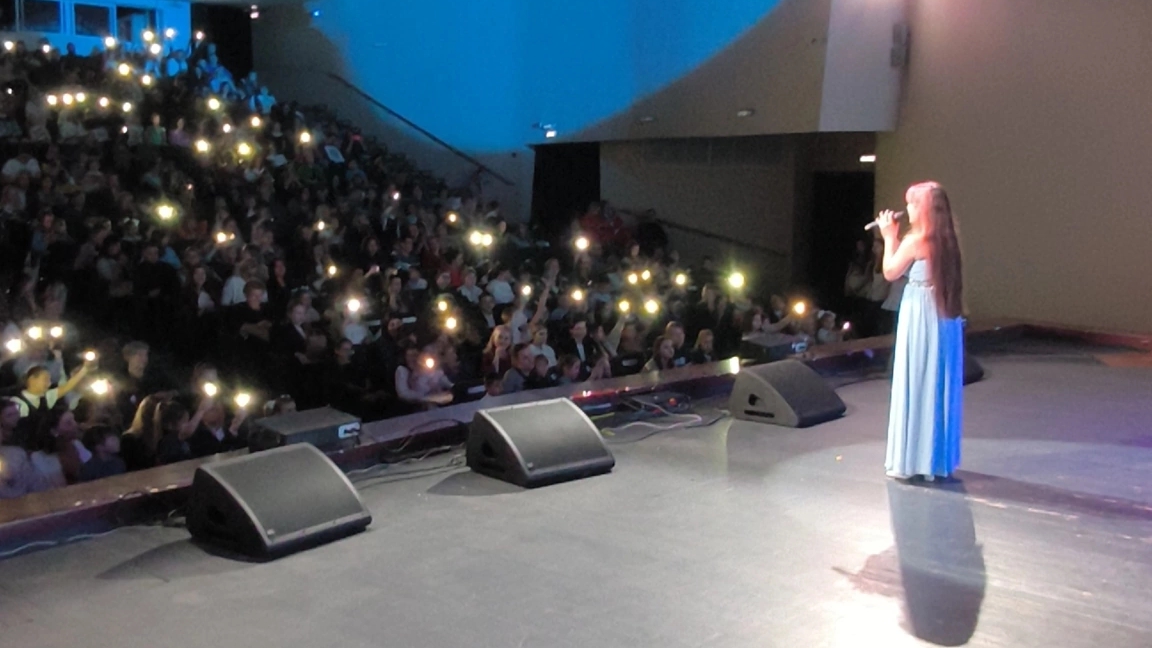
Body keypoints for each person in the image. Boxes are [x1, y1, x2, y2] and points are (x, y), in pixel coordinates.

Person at [877, 181, 964, 482]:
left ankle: (910, 459)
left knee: (916, 376)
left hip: (920, 312)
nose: (908, 209)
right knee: (935, 381)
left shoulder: (916, 241)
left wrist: (889, 237)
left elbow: (890, 271)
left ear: (925, 209)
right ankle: (934, 459)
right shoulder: (948, 241)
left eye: (913, 204)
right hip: (942, 315)